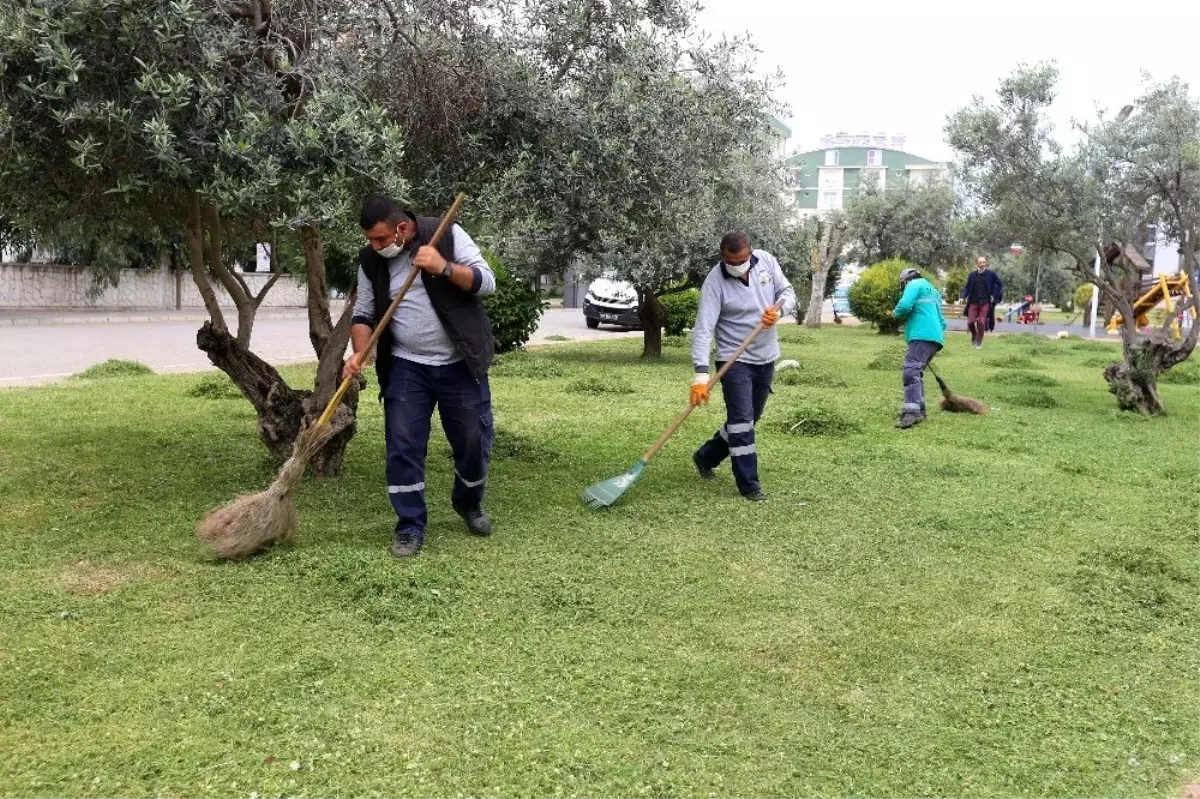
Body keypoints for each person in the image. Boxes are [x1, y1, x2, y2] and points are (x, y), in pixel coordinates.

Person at [343, 196, 497, 558]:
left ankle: (469, 502)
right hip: (406, 367)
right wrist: (361, 352)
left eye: (380, 239)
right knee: (403, 446)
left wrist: (443, 266)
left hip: (460, 363)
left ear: (401, 228)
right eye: (370, 240)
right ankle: (410, 525)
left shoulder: (446, 234)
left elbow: (486, 282)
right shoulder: (371, 261)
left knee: (473, 442)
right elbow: (364, 314)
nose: (375, 246)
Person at [689, 231, 797, 501]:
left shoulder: (767, 262)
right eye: (729, 261)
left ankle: (705, 456)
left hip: (766, 355)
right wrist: (700, 376)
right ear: (722, 257)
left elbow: (787, 292)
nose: (735, 265)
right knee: (740, 422)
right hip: (733, 359)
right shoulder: (714, 282)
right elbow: (703, 329)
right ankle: (749, 485)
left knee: (751, 418)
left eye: (740, 260)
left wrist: (779, 310)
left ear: (750, 253)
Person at [893, 267, 947, 430]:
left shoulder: (914, 285)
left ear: (906, 280)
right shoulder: (932, 289)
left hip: (921, 335)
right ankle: (919, 409)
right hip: (934, 338)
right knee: (917, 372)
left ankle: (912, 412)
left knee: (910, 370)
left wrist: (895, 314)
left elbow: (904, 305)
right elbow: (942, 320)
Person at [960, 255, 1003, 348]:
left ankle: (979, 342)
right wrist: (962, 297)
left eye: (984, 262)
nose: (982, 264)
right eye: (980, 262)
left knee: (981, 322)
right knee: (970, 322)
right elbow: (967, 287)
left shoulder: (991, 274)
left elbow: (999, 284)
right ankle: (974, 335)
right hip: (973, 302)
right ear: (977, 264)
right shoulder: (972, 275)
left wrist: (994, 295)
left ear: (985, 263)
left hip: (985, 302)